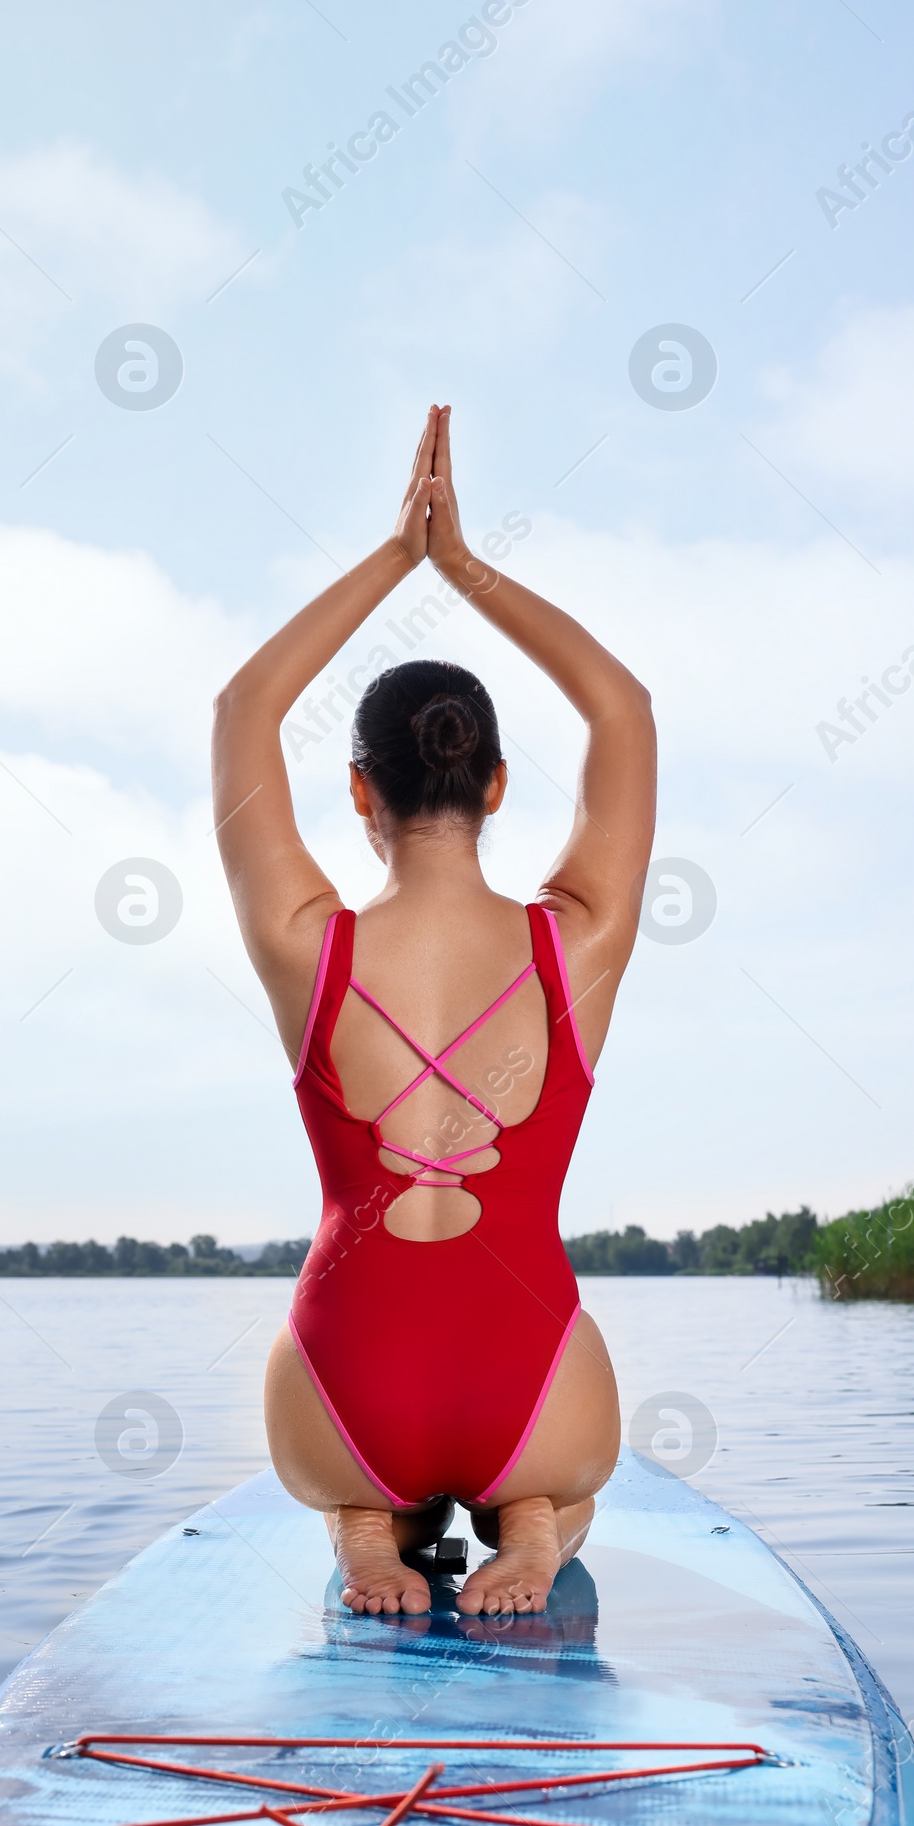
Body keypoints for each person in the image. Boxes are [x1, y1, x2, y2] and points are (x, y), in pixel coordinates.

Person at [212, 406, 655, 1616]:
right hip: (531, 1381)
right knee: (570, 1484)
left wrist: (394, 558)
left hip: (344, 1386)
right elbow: (624, 710)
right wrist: (465, 565)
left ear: (358, 787)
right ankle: (532, 1523)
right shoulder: (580, 941)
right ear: (498, 782)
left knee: (364, 1484)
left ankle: (368, 1527)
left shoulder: (308, 946)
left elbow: (242, 708)